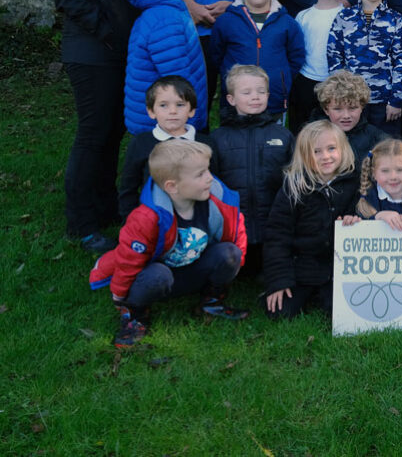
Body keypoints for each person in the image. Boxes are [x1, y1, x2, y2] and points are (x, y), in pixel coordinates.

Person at [52, 0, 144, 253]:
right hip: (92, 52)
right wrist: (110, 34)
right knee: (93, 135)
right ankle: (81, 222)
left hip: (121, 53)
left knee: (112, 133)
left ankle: (105, 209)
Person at [89, 139, 248, 348]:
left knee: (230, 252)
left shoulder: (215, 200)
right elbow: (128, 259)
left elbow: (237, 231)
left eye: (207, 170)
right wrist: (120, 294)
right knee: (157, 275)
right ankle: (136, 315)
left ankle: (211, 301)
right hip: (159, 278)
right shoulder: (147, 218)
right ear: (172, 186)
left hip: (193, 269)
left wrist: (235, 265)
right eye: (200, 174)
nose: (210, 178)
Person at [264, 121, 360, 319]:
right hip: (303, 267)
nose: (325, 156)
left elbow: (364, 219)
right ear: (304, 155)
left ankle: (325, 295)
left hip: (339, 269)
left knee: (342, 313)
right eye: (316, 151)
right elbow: (277, 236)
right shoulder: (293, 187)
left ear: (343, 149)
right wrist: (279, 281)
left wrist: (356, 219)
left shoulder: (355, 182)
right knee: (279, 313)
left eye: (331, 148)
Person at [116, 0, 209, 134]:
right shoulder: (166, 20)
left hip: (158, 121)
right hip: (169, 126)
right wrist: (192, 122)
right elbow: (177, 78)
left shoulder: (155, 15)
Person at [208, 65, 293, 266]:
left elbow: (294, 181)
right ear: (231, 99)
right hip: (233, 229)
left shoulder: (283, 136)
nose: (255, 97)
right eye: (246, 92)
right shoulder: (218, 139)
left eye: (261, 92)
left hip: (274, 229)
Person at [210, 0, 305, 118]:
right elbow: (217, 56)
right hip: (237, 104)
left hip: (273, 100)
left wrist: (281, 80)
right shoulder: (226, 21)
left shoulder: (287, 23)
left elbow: (296, 58)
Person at [326, 0, 402, 135]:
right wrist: (341, 97)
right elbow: (334, 56)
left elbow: (401, 62)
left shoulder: (395, 19)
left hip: (384, 103)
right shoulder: (344, 17)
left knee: (385, 148)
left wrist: (396, 100)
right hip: (352, 103)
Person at [117, 76, 210, 221]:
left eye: (180, 105)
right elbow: (128, 187)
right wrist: (131, 221)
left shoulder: (204, 143)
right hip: (153, 219)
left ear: (191, 110)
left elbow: (215, 183)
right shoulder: (141, 143)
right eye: (163, 105)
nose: (172, 111)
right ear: (151, 111)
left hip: (199, 219)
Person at [289, 0, 345, 132]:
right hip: (307, 81)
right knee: (305, 129)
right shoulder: (303, 16)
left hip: (337, 82)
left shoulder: (347, 15)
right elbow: (296, 49)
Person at [314, 71, 387, 162]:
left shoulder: (378, 139)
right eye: (338, 109)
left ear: (362, 107)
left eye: (352, 108)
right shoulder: (312, 137)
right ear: (326, 109)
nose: (346, 116)